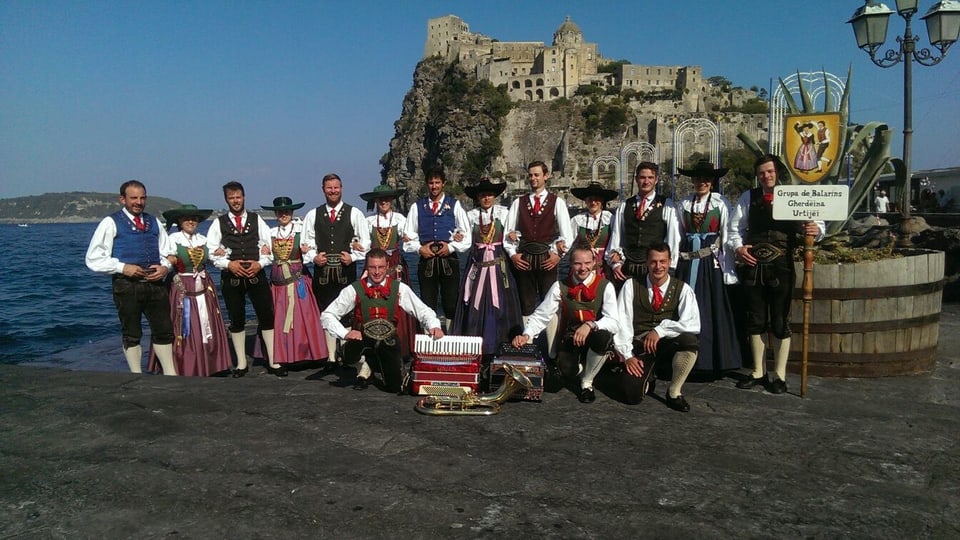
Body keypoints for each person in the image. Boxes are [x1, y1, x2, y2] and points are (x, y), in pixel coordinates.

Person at [729, 154, 824, 394]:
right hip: (754, 265)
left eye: (770, 172)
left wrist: (816, 229)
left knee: (781, 320)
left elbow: (817, 222)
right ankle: (759, 372)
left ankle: (780, 376)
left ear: (777, 173)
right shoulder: (747, 198)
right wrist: (738, 248)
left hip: (782, 264)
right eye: (761, 172)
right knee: (756, 319)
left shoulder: (793, 195)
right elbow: (734, 229)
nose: (766, 176)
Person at [85, 180, 178, 375]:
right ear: (123, 199)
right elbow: (93, 258)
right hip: (127, 286)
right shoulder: (111, 222)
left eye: (142, 198)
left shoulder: (154, 222)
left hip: (155, 285)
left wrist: (165, 267)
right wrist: (122, 267)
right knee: (132, 333)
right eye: (134, 198)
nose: (138, 202)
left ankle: (170, 375)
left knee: (164, 330)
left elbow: (169, 252)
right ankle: (136, 376)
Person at [321, 248, 445, 393]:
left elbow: (423, 311)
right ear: (367, 268)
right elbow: (327, 315)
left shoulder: (399, 288)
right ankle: (364, 365)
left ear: (387, 267)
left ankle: (377, 365)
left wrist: (434, 325)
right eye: (372, 267)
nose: (377, 272)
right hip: (362, 342)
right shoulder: (354, 289)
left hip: (388, 342)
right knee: (350, 355)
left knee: (394, 388)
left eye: (380, 267)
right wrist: (344, 333)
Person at [511, 247, 619, 403]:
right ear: (570, 264)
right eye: (577, 264)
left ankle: (587, 383)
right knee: (555, 383)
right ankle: (579, 367)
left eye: (587, 263)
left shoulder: (605, 286)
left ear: (594, 263)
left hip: (594, 333)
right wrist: (526, 334)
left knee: (604, 338)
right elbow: (542, 314)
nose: (583, 268)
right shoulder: (559, 286)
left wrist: (590, 325)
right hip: (570, 335)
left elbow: (614, 321)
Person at [206, 181, 282, 377]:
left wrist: (260, 263)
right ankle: (241, 363)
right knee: (236, 319)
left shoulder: (257, 220)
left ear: (244, 197)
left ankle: (273, 361)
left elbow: (271, 247)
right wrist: (228, 264)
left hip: (256, 275)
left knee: (266, 316)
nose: (235, 201)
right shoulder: (218, 223)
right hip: (232, 277)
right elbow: (211, 251)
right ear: (226, 200)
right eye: (231, 198)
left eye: (238, 197)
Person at [614, 242, 700, 412]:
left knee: (690, 341)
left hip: (666, 344)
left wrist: (660, 330)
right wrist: (627, 355)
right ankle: (647, 375)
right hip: (639, 344)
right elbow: (622, 322)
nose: (658, 266)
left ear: (669, 262)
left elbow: (693, 323)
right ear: (646, 262)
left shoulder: (683, 289)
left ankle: (674, 392)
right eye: (653, 262)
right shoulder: (631, 286)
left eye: (662, 261)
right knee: (632, 396)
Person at [674, 160, 742, 377]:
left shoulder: (720, 203)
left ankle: (709, 361)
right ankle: (681, 359)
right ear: (692, 181)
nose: (701, 182)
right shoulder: (683, 203)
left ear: (712, 182)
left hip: (709, 264)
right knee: (684, 305)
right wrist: (675, 264)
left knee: (709, 308)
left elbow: (726, 233)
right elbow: (676, 235)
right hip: (687, 262)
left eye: (706, 179)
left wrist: (727, 269)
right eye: (698, 178)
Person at [503, 160, 574, 357]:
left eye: (537, 175)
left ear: (546, 176)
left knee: (550, 304)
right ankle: (528, 349)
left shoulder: (556, 202)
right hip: (524, 261)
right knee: (526, 305)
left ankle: (551, 353)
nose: (533, 179)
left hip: (547, 260)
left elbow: (567, 235)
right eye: (531, 175)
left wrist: (558, 256)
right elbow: (508, 234)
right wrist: (513, 255)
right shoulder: (519, 202)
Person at [152, 204, 232, 376]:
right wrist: (169, 260)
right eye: (186, 218)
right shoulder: (173, 239)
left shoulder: (203, 240)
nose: (190, 221)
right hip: (181, 287)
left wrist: (220, 252)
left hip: (204, 286)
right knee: (183, 324)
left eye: (194, 218)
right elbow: (164, 258)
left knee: (207, 323)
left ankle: (210, 364)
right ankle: (185, 365)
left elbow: (213, 257)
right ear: (179, 221)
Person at [301, 173, 371, 360]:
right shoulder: (312, 214)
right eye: (329, 187)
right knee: (326, 311)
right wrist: (313, 257)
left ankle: (345, 355)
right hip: (322, 274)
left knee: (347, 312)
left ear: (342, 188)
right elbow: (305, 243)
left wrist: (354, 256)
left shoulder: (354, 213)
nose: (333, 191)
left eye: (336, 187)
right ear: (323, 189)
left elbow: (366, 243)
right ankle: (331, 357)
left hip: (345, 272)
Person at [452, 178, 523, 357]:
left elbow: (510, 234)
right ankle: (474, 347)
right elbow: (465, 238)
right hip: (477, 265)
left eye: (489, 195)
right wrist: (458, 237)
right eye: (483, 195)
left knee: (499, 303)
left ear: (495, 196)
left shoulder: (504, 213)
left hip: (499, 266)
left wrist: (514, 235)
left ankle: (499, 345)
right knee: (474, 304)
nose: (486, 198)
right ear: (478, 197)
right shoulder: (470, 216)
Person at [259, 196, 328, 367]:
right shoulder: (270, 233)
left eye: (287, 211)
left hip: (298, 283)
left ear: (292, 212)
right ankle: (282, 355)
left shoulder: (301, 230)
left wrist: (308, 250)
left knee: (303, 317)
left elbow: (311, 248)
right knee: (279, 317)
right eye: (280, 211)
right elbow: (265, 256)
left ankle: (305, 354)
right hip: (278, 286)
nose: (284, 214)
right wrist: (264, 250)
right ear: (275, 213)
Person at [403, 167, 472, 326]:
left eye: (437, 183)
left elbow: (466, 235)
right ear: (427, 184)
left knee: (451, 302)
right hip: (426, 261)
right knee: (427, 302)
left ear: (443, 184)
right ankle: (430, 339)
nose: (434, 186)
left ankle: (451, 339)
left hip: (449, 260)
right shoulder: (417, 207)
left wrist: (451, 247)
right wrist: (420, 249)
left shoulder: (454, 205)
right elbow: (408, 236)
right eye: (431, 183)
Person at [359, 183, 416, 359]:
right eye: (380, 199)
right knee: (373, 304)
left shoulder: (400, 219)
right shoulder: (368, 222)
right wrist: (356, 244)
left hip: (395, 267)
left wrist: (407, 238)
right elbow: (363, 245)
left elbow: (411, 240)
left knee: (398, 304)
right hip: (375, 267)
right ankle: (373, 346)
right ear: (375, 201)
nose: (384, 201)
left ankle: (400, 347)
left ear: (392, 200)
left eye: (387, 198)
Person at [606, 161, 680, 283]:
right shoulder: (625, 205)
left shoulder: (667, 205)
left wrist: (670, 267)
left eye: (650, 177)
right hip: (628, 266)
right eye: (642, 177)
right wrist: (615, 263)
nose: (646, 181)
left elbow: (673, 239)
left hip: (654, 267)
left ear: (656, 180)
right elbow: (617, 236)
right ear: (636, 179)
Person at [569, 181, 618, 278]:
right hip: (582, 267)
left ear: (602, 201)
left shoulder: (610, 219)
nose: (593, 202)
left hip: (603, 267)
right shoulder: (577, 220)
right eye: (590, 199)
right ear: (585, 201)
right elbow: (569, 242)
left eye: (597, 199)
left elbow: (617, 240)